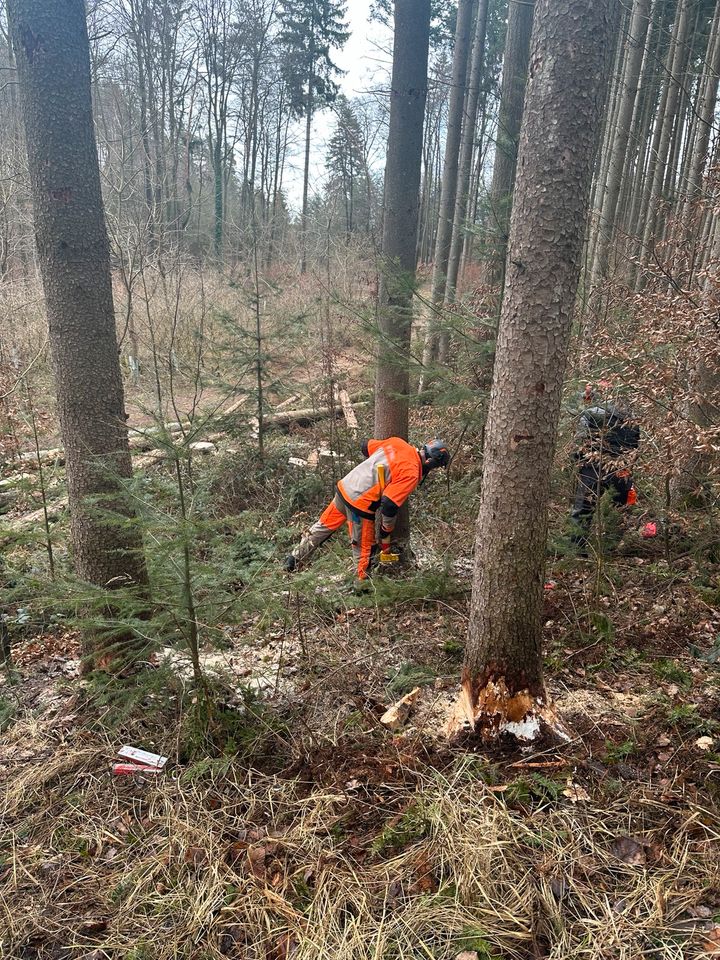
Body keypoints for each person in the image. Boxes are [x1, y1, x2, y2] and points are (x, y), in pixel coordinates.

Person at [285, 437, 451, 580]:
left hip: (345, 487)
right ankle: (363, 587)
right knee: (364, 550)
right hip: (360, 505)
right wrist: (386, 530)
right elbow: (389, 504)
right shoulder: (412, 472)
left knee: (322, 528)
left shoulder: (397, 443)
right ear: (431, 463)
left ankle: (293, 559)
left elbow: (365, 446)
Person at [569, 384, 640, 552]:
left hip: (591, 467)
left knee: (583, 507)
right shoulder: (632, 420)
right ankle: (611, 548)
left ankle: (576, 550)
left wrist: (578, 461)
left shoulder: (590, 413)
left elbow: (579, 441)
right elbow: (634, 447)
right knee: (620, 506)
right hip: (620, 468)